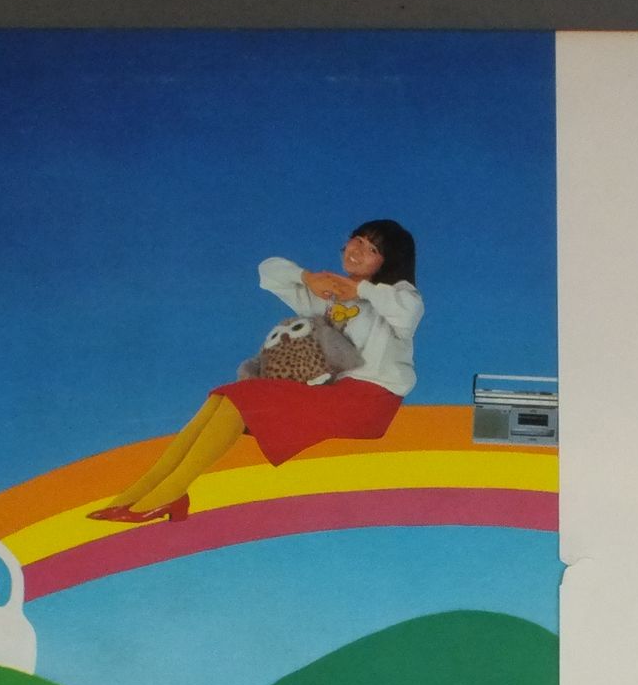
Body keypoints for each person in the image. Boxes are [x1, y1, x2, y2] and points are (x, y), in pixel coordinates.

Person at [88, 219, 421, 524]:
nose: (357, 251)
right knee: (224, 397)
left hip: (369, 403)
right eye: (357, 240)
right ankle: (144, 491)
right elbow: (268, 271)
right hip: (333, 395)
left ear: (387, 262)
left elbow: (407, 314)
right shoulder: (328, 292)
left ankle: (169, 492)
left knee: (242, 396)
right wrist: (307, 278)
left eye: (372, 249)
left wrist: (361, 290)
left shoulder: (400, 295)